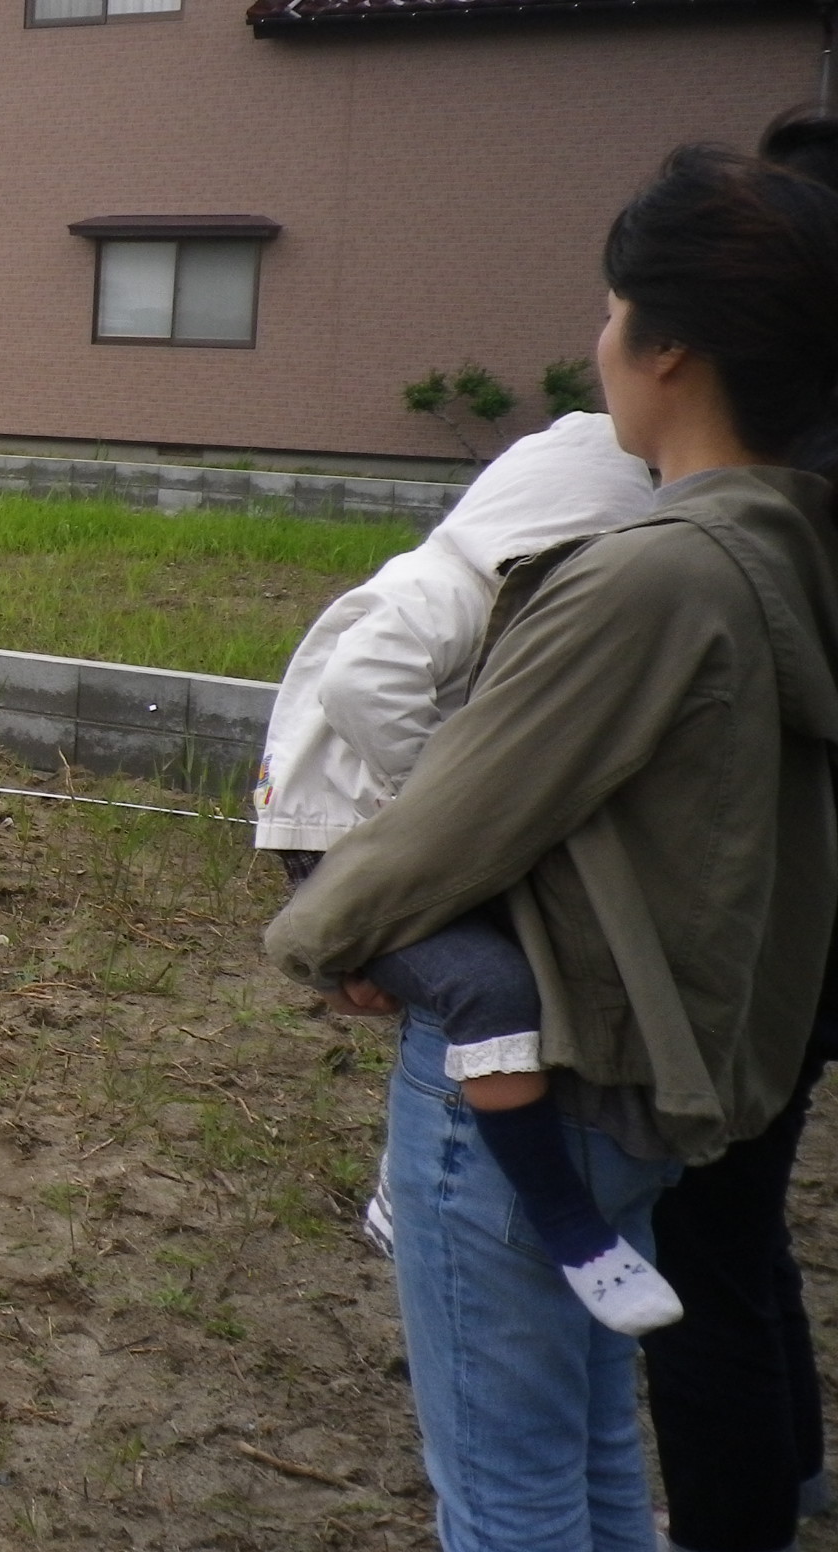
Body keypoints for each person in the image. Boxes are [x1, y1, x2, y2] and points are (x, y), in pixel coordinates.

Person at [264, 143, 838, 1548]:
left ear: (671, 350)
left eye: (609, 312)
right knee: (588, 1444)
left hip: (547, 1069)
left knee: (506, 1491)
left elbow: (449, 818)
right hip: (659, 1068)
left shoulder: (649, 574)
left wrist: (326, 930)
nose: (597, 343)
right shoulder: (789, 547)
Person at [257, 412, 671, 1331]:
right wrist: (444, 805)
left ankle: (404, 1193)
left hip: (392, 846)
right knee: (492, 991)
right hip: (350, 847)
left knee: (485, 983)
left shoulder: (493, 600)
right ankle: (570, 1229)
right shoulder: (442, 589)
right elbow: (364, 686)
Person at [643, 106, 838, 1552]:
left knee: (705, 1231)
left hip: (768, 908)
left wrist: (335, 911)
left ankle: (743, 1513)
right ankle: (794, 1468)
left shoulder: (734, 519)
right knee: (742, 1214)